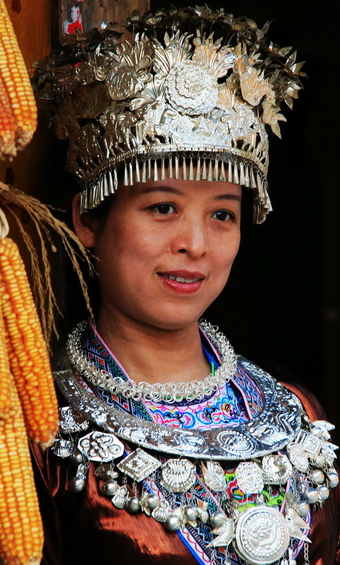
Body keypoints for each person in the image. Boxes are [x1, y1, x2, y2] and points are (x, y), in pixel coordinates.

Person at [32, 5, 340, 564]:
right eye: (163, 207)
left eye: (222, 215)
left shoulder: (296, 415)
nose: (195, 243)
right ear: (87, 221)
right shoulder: (44, 430)